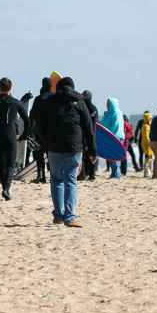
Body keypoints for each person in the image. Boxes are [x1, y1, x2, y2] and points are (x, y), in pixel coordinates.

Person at [38, 77, 95, 227]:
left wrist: (46, 144)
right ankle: (69, 217)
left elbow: (39, 126)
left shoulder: (48, 102)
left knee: (56, 180)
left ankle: (57, 216)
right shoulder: (80, 103)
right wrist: (92, 151)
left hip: (54, 147)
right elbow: (89, 128)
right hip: (74, 148)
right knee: (71, 181)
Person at [0, 77, 30, 200]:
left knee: (2, 164)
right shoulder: (16, 102)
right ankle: (6, 190)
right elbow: (27, 120)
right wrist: (25, 135)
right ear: (10, 88)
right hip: (10, 135)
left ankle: (3, 189)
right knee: (11, 164)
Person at [28, 78, 52, 183]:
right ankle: (53, 175)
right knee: (51, 154)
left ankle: (40, 175)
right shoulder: (55, 98)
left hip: (40, 130)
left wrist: (29, 130)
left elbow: (32, 115)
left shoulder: (39, 99)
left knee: (39, 154)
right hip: (52, 130)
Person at [100, 98, 124, 179]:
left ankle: (116, 174)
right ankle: (113, 173)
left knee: (114, 156)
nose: (107, 106)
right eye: (107, 104)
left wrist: (109, 136)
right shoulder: (107, 113)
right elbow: (102, 125)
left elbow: (115, 127)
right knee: (110, 156)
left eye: (109, 104)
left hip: (116, 137)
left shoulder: (116, 113)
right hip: (109, 137)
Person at [78, 90, 99, 181]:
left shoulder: (93, 108)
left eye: (85, 95)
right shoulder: (82, 106)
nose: (83, 97)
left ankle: (92, 175)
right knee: (82, 155)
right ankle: (82, 174)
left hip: (90, 134)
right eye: (82, 95)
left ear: (88, 96)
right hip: (82, 135)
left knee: (91, 153)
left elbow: (91, 122)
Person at [139, 111, 153, 177]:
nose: (151, 120)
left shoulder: (145, 125)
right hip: (147, 144)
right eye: (150, 118)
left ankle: (147, 171)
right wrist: (150, 143)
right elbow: (145, 136)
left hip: (146, 143)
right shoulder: (146, 126)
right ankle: (147, 172)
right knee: (148, 158)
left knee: (148, 158)